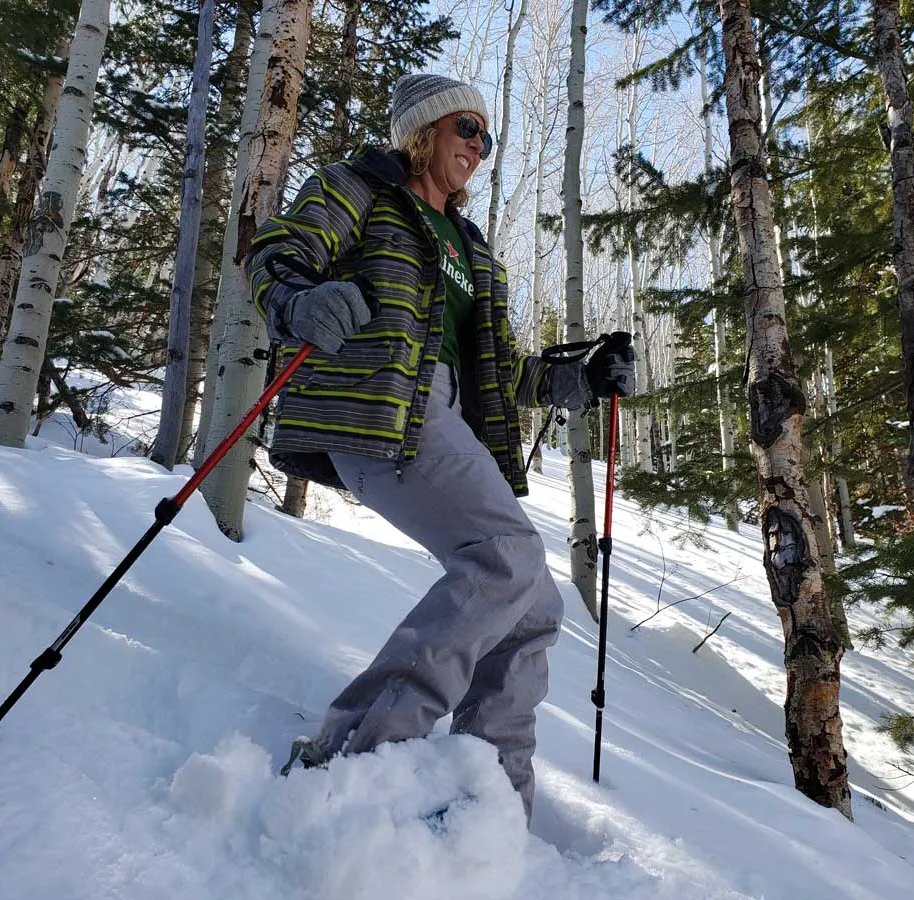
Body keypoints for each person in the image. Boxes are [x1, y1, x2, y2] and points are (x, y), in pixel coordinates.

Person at [246, 73, 635, 819]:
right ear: (422, 130)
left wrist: (581, 377)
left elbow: (506, 373)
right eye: (468, 129)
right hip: (382, 407)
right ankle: (356, 752)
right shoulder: (359, 188)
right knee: (504, 559)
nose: (480, 149)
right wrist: (299, 303)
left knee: (534, 603)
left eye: (488, 138)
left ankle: (488, 794)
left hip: (451, 418)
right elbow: (277, 254)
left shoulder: (474, 250)